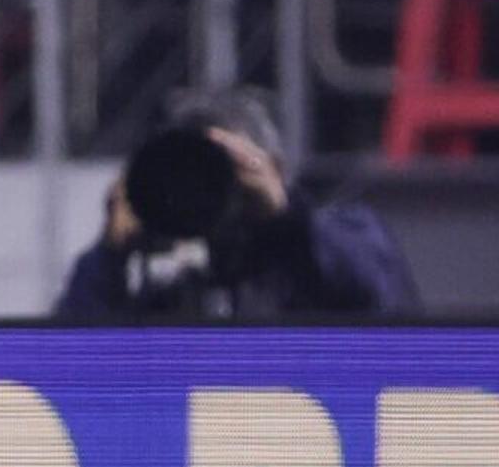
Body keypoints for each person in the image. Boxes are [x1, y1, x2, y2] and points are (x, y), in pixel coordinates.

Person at [53, 90, 414, 319]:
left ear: (274, 168)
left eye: (225, 171)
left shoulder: (340, 240)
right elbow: (65, 363)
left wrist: (285, 218)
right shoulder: (171, 294)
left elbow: (381, 295)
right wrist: (110, 254)